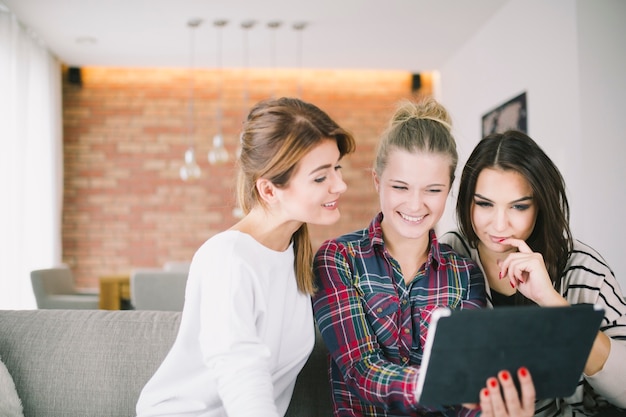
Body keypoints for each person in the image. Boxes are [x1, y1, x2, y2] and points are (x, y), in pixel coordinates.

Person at [136, 97, 356, 417]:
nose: (341, 185)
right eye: (321, 177)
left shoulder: (295, 256)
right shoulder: (228, 259)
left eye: (337, 168)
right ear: (269, 190)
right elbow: (240, 372)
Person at [311, 97, 489, 416]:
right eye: (401, 187)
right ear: (378, 181)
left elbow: (467, 384)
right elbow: (361, 370)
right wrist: (443, 386)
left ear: (449, 190)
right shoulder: (338, 259)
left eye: (432, 190)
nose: (415, 204)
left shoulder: (466, 274)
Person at [441, 130, 626, 416]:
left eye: (518, 206)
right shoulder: (450, 254)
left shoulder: (583, 268)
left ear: (540, 205)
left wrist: (552, 301)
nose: (499, 225)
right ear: (468, 202)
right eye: (485, 204)